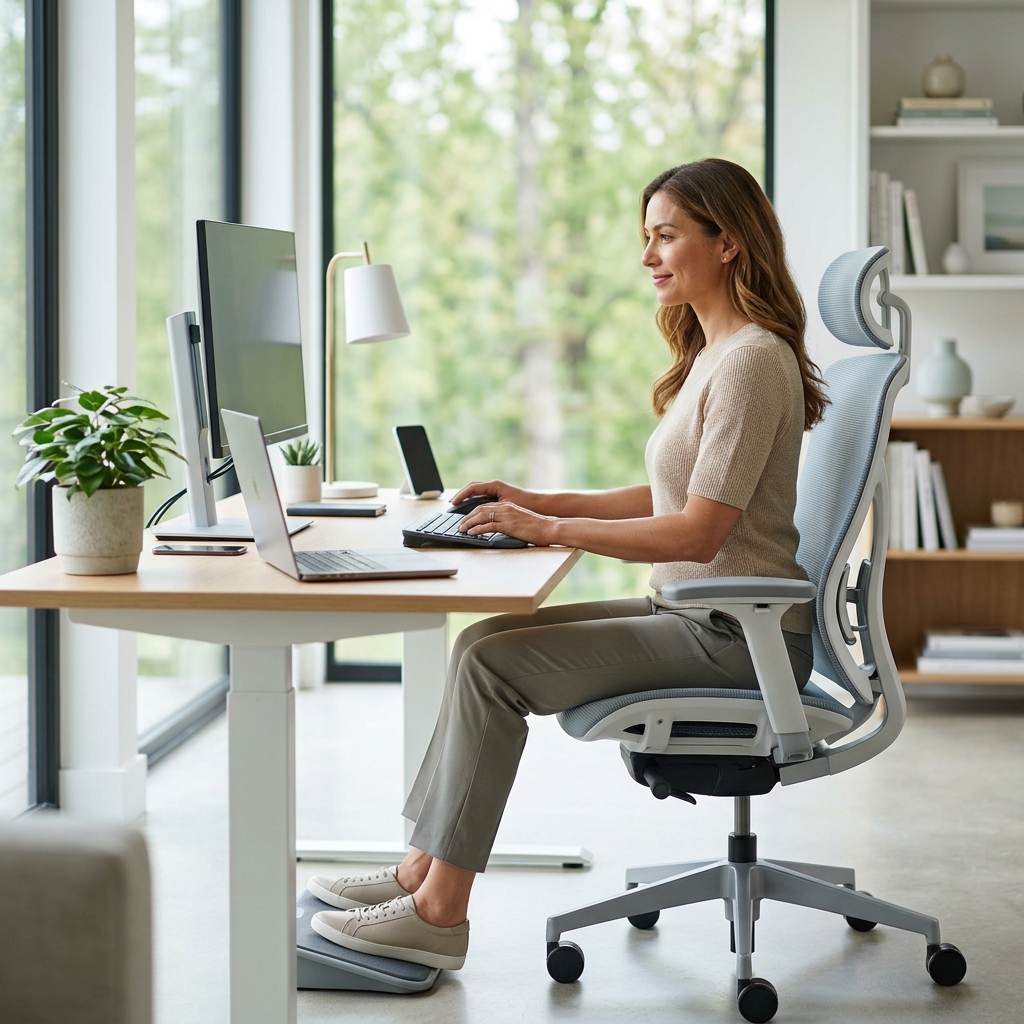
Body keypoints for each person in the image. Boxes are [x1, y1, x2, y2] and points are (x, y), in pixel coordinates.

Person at [306, 157, 829, 971]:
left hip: (738, 639)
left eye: (666, 237)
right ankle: (418, 871)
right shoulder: (716, 352)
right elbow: (672, 494)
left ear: (727, 242)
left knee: (494, 669)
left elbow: (697, 532)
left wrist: (549, 527)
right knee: (481, 644)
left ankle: (440, 913)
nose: (648, 256)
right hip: (701, 616)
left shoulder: (752, 360)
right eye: (646, 237)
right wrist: (537, 499)